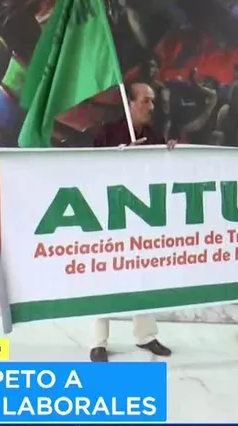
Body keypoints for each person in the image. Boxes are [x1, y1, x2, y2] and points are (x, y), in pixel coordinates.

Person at [89, 82, 177, 362]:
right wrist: (121, 154)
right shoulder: (106, 133)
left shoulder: (153, 135)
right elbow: (86, 171)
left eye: (152, 102)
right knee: (102, 278)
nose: (151, 107)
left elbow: (162, 174)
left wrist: (170, 152)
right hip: (109, 218)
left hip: (142, 219)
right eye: (145, 101)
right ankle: (98, 341)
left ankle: (146, 336)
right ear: (129, 104)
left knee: (145, 275)